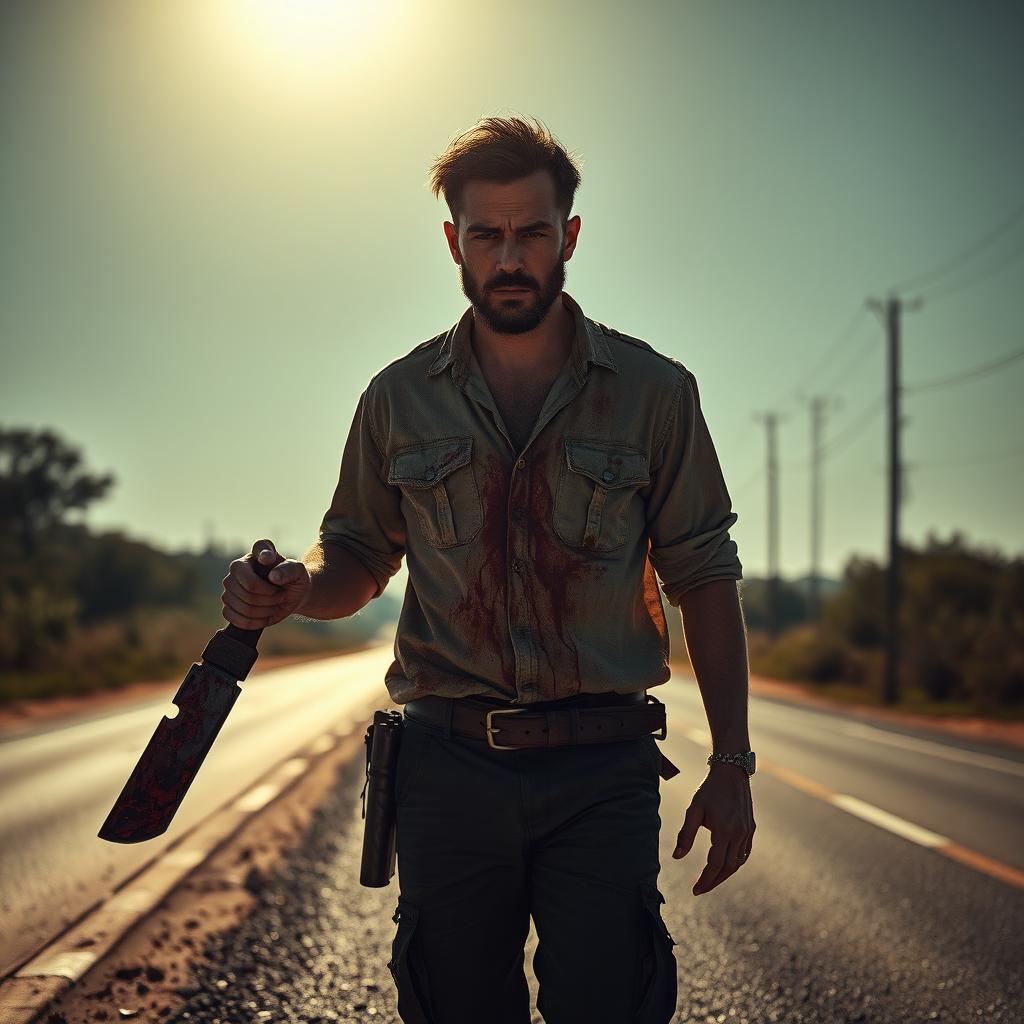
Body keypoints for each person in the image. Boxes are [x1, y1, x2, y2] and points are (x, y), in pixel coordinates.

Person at [221, 115, 756, 1024]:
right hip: (446, 772)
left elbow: (704, 576)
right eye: (487, 235)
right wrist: (300, 590)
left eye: (532, 233)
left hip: (603, 771)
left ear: (569, 239)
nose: (510, 258)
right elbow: (355, 549)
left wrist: (734, 763)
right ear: (453, 243)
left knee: (611, 1005)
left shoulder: (656, 394)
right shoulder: (397, 399)